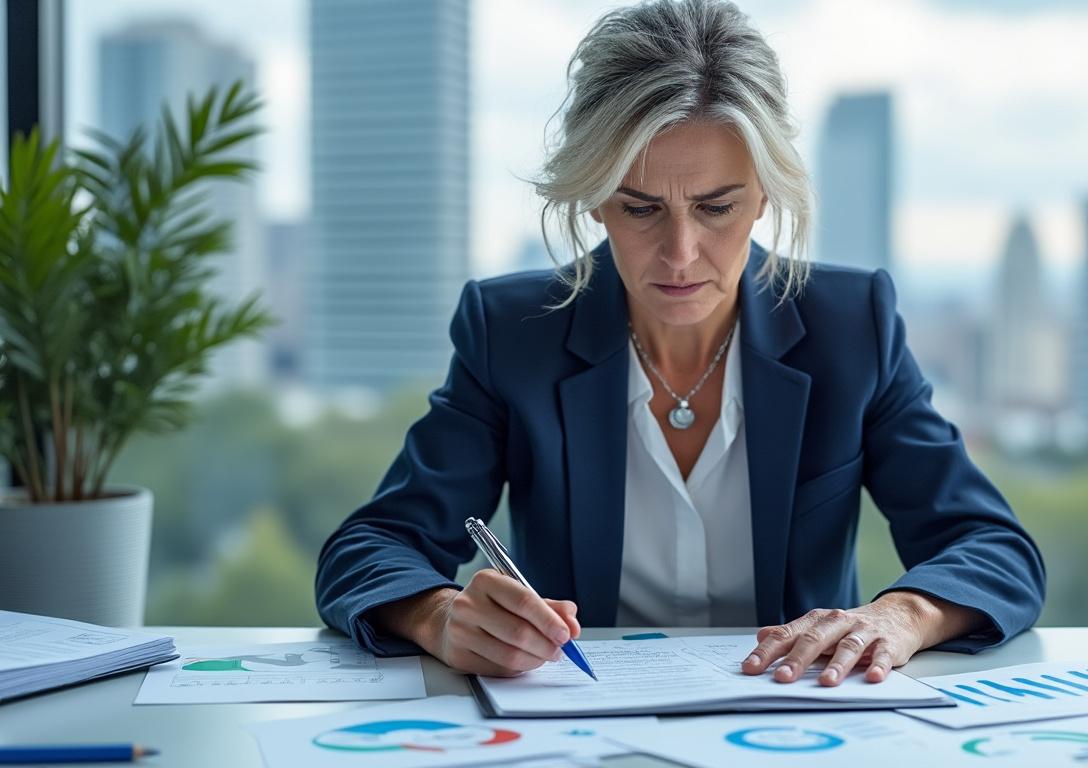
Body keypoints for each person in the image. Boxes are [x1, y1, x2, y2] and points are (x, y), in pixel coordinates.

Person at [316, 0, 1045, 688]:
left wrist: (898, 615)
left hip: (796, 729)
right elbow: (369, 549)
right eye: (640, 208)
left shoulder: (852, 326)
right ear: (595, 196)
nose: (680, 254)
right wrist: (440, 616)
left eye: (715, 207)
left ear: (764, 193)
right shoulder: (511, 331)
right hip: (576, 733)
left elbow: (995, 549)